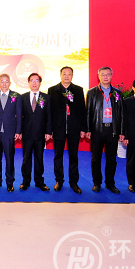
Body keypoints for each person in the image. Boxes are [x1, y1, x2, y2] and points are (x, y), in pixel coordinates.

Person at [48, 66, 87, 194]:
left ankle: (74, 182)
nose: (66, 76)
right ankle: (59, 180)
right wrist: (50, 129)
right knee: (58, 156)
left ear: (72, 76)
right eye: (64, 74)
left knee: (73, 156)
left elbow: (82, 110)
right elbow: (49, 112)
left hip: (74, 128)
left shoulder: (78, 90)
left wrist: (83, 128)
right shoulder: (52, 90)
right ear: (60, 75)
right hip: (58, 129)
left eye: (69, 74)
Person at [86, 67, 123, 193]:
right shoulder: (92, 92)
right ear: (99, 76)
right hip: (97, 130)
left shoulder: (118, 93)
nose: (106, 77)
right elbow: (88, 112)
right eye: (103, 74)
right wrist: (88, 129)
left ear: (111, 76)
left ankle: (110, 183)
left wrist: (121, 132)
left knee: (111, 159)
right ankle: (97, 183)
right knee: (96, 159)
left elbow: (121, 114)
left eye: (108, 74)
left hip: (112, 130)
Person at [19, 73, 52, 191]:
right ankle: (25, 182)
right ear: (28, 83)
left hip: (40, 133)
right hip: (26, 133)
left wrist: (48, 131)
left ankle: (39, 182)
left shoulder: (46, 97)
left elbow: (49, 115)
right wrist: (19, 131)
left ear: (40, 83)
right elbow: (19, 116)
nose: (34, 83)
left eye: (36, 80)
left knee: (39, 158)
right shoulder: (22, 97)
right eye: (32, 80)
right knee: (26, 159)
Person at [0, 74, 22, 192]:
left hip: (9, 132)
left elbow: (19, 115)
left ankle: (10, 182)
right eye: (2, 82)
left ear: (10, 83)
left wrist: (18, 131)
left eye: (6, 81)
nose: (4, 84)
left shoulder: (16, 96)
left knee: (9, 158)